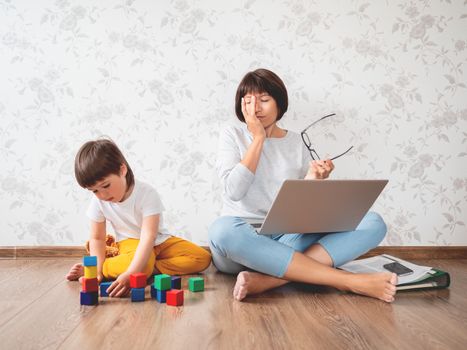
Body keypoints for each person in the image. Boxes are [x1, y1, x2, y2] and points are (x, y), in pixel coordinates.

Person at [208, 68, 397, 302]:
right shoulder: (232, 134)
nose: (256, 108)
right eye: (248, 101)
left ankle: (270, 280)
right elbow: (234, 191)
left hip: (286, 238)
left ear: (280, 104)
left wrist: (314, 179)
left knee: (373, 222)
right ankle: (349, 281)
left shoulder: (296, 141)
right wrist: (258, 139)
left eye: (264, 100)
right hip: (242, 243)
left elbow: (300, 205)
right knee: (222, 230)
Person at [66, 139, 211, 297]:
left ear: (122, 170)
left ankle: (143, 267)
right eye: (94, 191)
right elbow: (97, 239)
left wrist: (133, 272)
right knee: (142, 264)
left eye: (106, 186)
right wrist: (97, 269)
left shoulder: (147, 194)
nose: (102, 195)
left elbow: (149, 236)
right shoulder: (98, 202)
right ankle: (118, 266)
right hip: (130, 243)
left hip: (158, 241)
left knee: (202, 258)